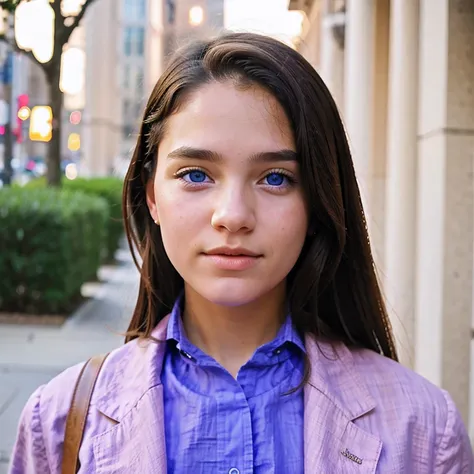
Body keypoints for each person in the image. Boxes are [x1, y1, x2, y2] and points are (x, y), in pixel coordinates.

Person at [9, 32, 473, 474]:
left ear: (316, 202)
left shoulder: (425, 429)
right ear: (151, 195)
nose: (232, 216)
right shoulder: (60, 421)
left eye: (275, 178)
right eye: (195, 174)